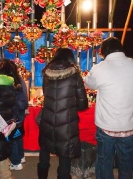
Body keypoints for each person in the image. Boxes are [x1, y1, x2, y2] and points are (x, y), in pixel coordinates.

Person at [84, 37, 133, 179]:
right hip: (129, 127)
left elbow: (89, 84)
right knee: (126, 164)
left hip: (107, 127)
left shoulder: (99, 68)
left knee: (105, 163)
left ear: (104, 52)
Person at [38, 48, 88, 179]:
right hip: (66, 122)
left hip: (47, 119)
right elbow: (83, 104)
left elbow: (46, 95)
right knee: (65, 155)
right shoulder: (75, 75)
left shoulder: (46, 73)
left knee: (44, 150)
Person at [8, 60, 29, 171]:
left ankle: (15, 162)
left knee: (12, 138)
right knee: (18, 135)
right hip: (20, 110)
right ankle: (20, 157)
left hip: (13, 111)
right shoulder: (19, 79)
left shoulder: (9, 81)